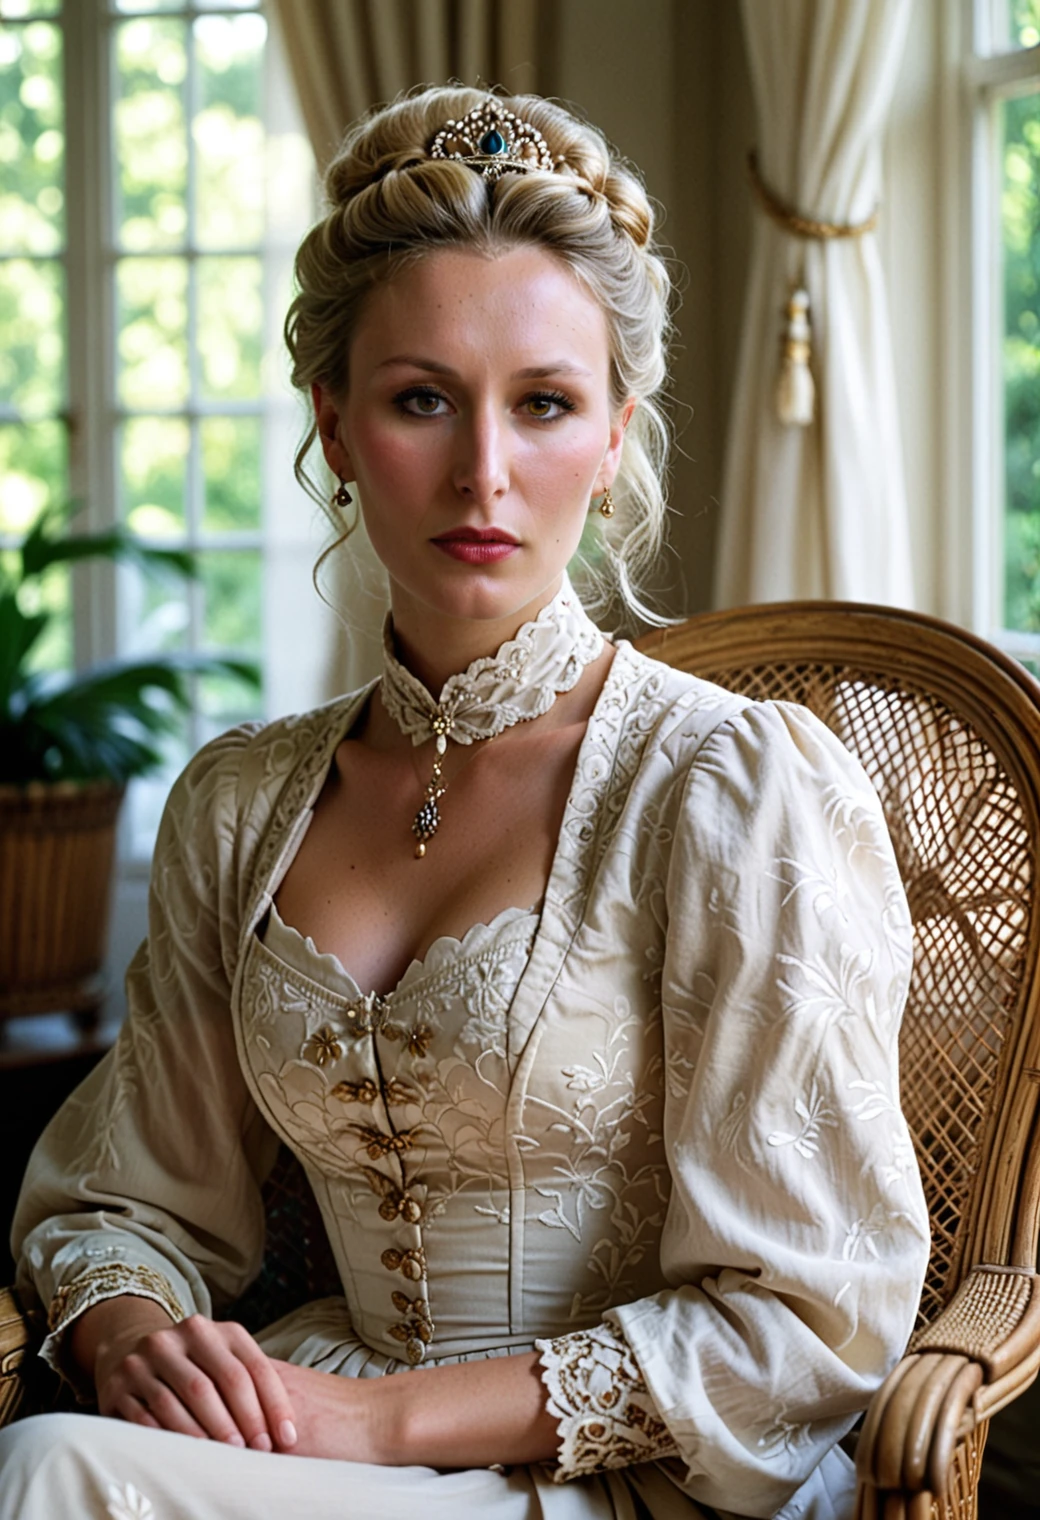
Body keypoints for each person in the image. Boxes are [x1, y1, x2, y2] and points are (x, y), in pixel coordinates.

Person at [0, 86, 929, 1520]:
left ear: (616, 433)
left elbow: (806, 1326)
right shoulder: (242, 807)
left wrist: (375, 1426)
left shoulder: (727, 789)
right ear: (337, 422)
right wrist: (140, 1341)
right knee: (65, 1452)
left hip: (632, 1472)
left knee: (52, 1477)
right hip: (314, 1427)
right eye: (422, 397)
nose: (483, 472)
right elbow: (128, 1202)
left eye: (546, 404)